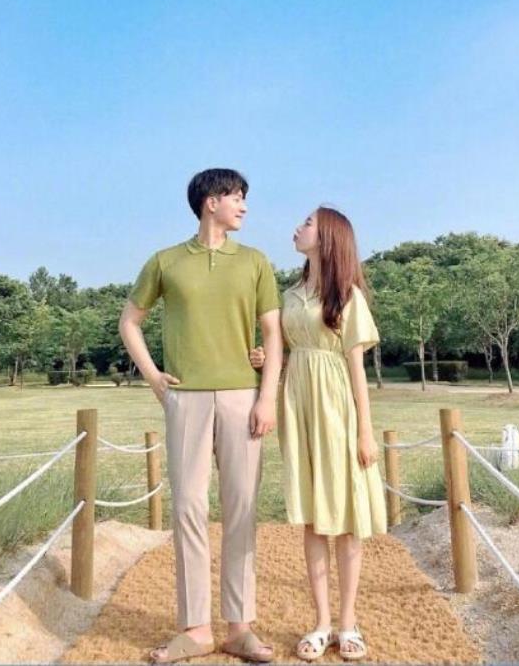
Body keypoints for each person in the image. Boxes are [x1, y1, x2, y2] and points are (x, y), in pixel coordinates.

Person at [119, 168, 283, 663]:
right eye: (237, 197)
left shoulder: (255, 262)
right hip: (185, 397)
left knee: (241, 508)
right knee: (188, 507)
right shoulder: (165, 262)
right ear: (211, 201)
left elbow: (272, 334)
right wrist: (154, 377)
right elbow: (130, 322)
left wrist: (267, 397)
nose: (244, 206)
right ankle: (195, 629)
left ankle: (240, 628)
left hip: (242, 396)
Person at [249, 206, 387, 662]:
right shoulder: (290, 295)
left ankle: (348, 623)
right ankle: (322, 622)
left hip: (338, 412)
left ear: (328, 236)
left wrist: (365, 431)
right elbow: (293, 353)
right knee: (312, 516)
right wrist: (269, 360)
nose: (297, 227)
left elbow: (356, 370)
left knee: (345, 519)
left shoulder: (347, 296)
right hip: (299, 410)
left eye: (307, 222)